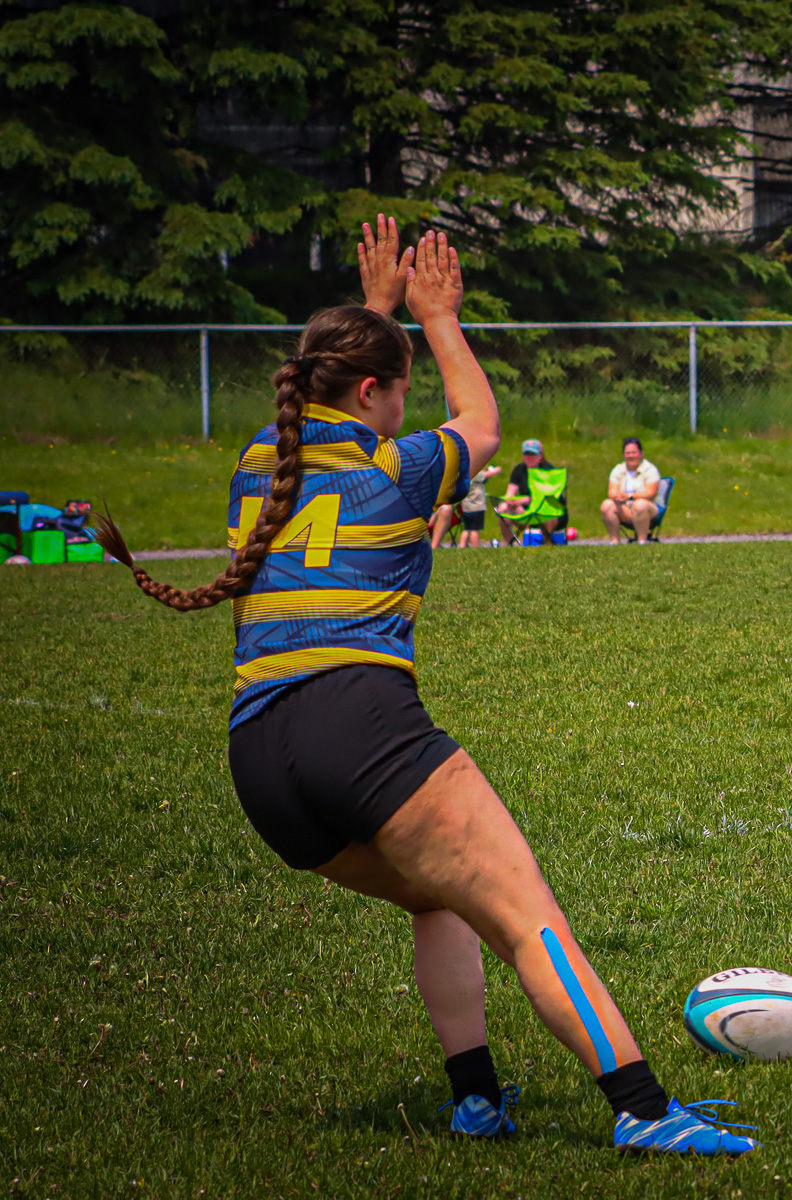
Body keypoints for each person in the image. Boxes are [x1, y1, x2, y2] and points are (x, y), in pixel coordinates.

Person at [94, 217, 757, 1157]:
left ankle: (477, 1099)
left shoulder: (257, 461)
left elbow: (336, 386)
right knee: (528, 919)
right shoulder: (395, 468)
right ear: (375, 391)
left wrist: (374, 313)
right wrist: (438, 318)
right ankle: (648, 1111)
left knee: (436, 897)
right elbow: (481, 427)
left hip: (261, 761)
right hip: (355, 723)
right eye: (395, 388)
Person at [495, 438, 571, 545]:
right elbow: (510, 493)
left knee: (544, 512)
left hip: (549, 510)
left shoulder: (547, 470)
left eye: (533, 454)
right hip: (528, 510)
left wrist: (522, 501)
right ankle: (509, 543)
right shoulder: (519, 470)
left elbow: (544, 498)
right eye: (526, 454)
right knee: (502, 508)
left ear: (541, 455)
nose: (529, 457)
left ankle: (545, 543)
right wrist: (510, 502)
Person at [602, 436, 662, 545]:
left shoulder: (650, 470)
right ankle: (614, 542)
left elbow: (651, 493)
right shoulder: (618, 470)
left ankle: (642, 541)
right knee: (607, 505)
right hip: (626, 509)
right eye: (628, 453)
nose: (631, 456)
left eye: (634, 453)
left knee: (639, 505)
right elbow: (612, 491)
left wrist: (630, 497)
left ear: (641, 453)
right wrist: (617, 497)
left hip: (648, 509)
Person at [430, 464, 502, 549]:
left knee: (466, 529)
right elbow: (487, 475)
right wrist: (497, 469)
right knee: (475, 530)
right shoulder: (473, 474)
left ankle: (463, 546)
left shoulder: (463, 476)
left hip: (465, 507)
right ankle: (476, 547)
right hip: (476, 507)